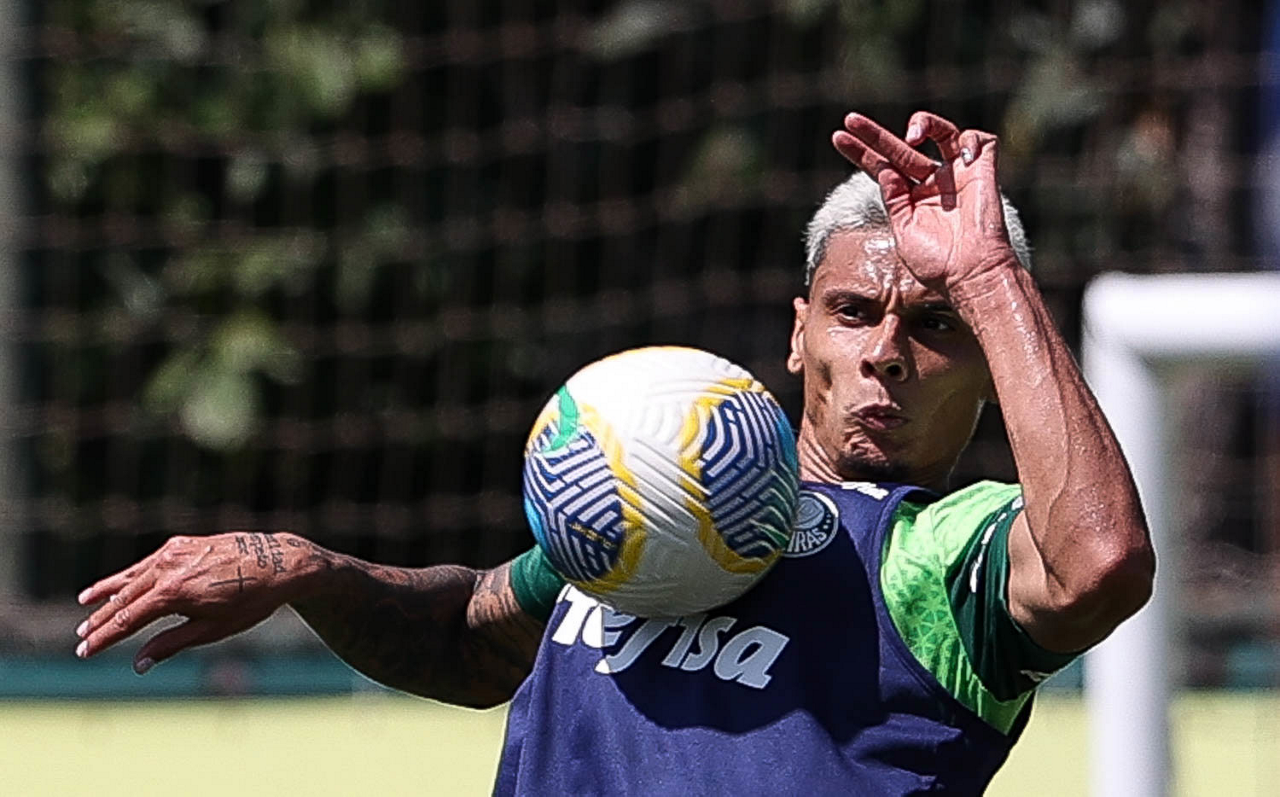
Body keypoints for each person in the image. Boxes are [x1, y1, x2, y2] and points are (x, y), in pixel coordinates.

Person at [74, 111, 1154, 795]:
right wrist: (306, 569)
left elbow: (1098, 562)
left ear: (993, 360)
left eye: (935, 325)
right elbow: (468, 637)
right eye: (852, 311)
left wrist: (987, 279)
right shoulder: (661, 500)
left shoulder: (945, 555)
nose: (883, 352)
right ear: (797, 334)